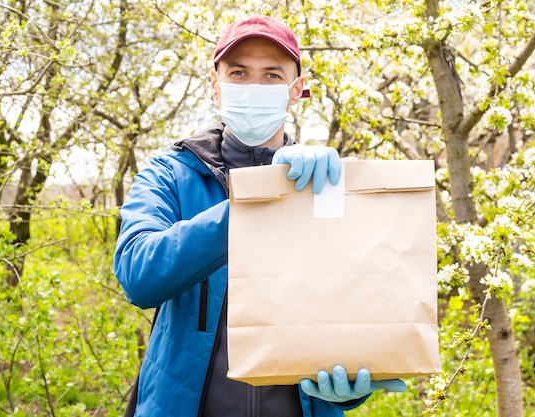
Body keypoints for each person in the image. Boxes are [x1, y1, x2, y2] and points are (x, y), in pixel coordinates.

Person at [114, 15, 406, 417]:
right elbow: (138, 276)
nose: (254, 87)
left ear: (296, 90)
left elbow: (351, 309)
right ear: (216, 86)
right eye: (239, 73)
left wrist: (347, 390)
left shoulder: (325, 185)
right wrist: (255, 201)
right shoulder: (170, 173)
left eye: (271, 75)